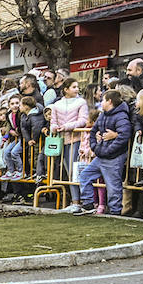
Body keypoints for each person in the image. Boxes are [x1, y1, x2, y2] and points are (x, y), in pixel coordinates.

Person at [48, 78, 89, 211]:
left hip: (76, 140)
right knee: (67, 171)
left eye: (77, 87)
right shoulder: (56, 105)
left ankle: (80, 201)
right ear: (66, 89)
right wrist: (54, 127)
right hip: (61, 140)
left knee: (75, 170)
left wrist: (66, 126)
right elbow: (53, 121)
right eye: (73, 87)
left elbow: (83, 120)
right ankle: (74, 200)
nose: (77, 89)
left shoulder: (81, 102)